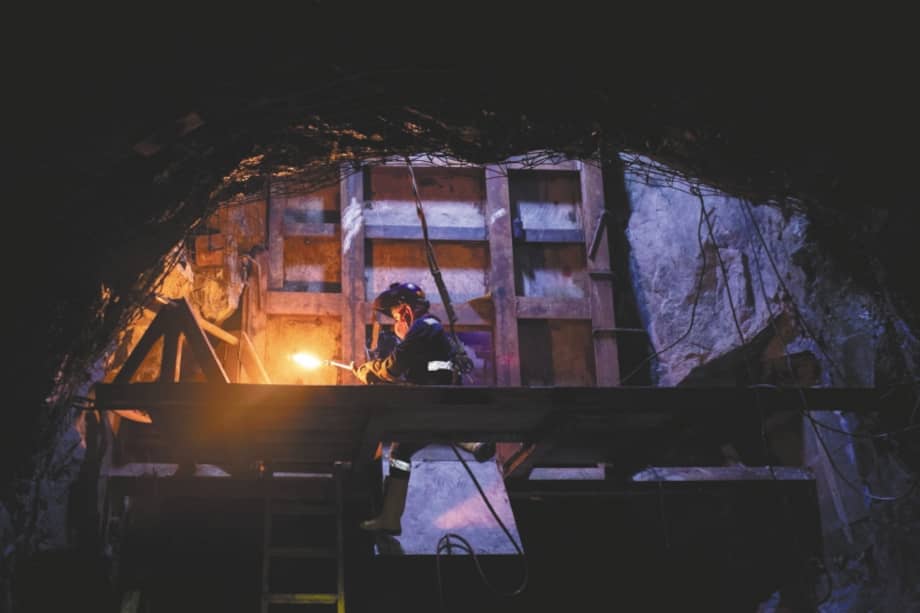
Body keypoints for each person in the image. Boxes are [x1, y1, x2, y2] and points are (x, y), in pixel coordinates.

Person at [352, 281, 494, 535]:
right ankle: (391, 518)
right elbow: (419, 370)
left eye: (395, 316)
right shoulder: (432, 328)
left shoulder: (422, 328)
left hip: (434, 407)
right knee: (402, 451)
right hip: (438, 404)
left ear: (405, 311)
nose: (395, 324)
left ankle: (391, 518)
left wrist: (367, 371)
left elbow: (393, 369)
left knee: (400, 449)